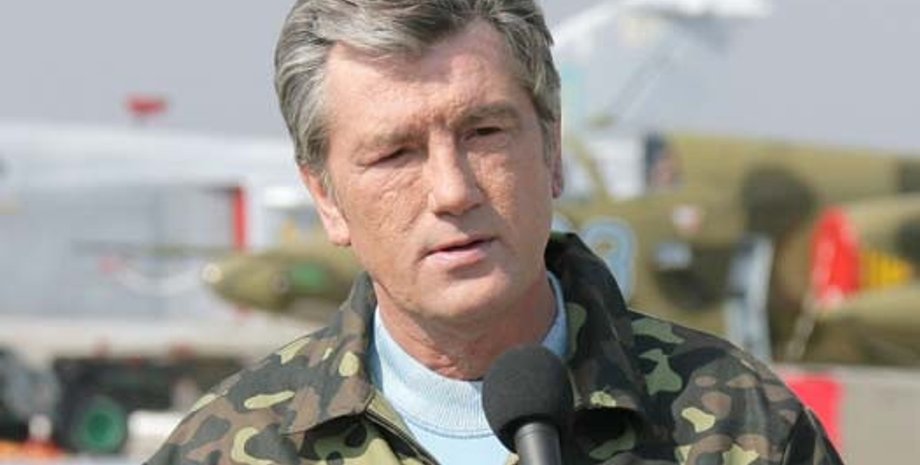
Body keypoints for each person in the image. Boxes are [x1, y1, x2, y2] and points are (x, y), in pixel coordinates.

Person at [147, 1, 843, 464]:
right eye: (395, 154)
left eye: (484, 132)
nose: (453, 190)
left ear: (552, 151)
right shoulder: (232, 445)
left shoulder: (737, 424)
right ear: (326, 197)